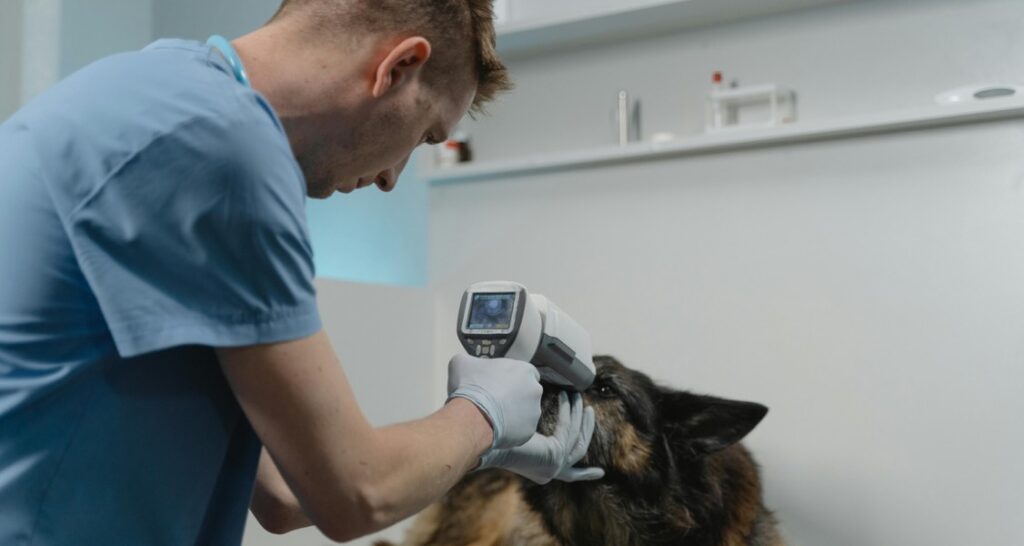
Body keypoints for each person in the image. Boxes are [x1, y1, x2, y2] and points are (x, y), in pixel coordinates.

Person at [0, 0, 603, 544]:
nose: (395, 178)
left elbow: (288, 496)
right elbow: (355, 494)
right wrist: (482, 414)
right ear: (397, 67)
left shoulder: (151, 92)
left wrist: (478, 450)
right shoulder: (221, 148)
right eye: (424, 135)